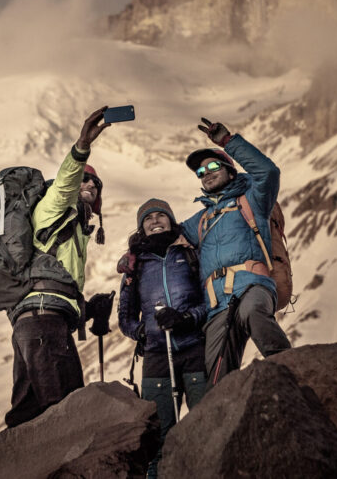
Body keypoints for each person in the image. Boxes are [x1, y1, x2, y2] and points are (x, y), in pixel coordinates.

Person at [4, 106, 115, 427]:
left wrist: (88, 309)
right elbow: (67, 180)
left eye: (96, 187)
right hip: (44, 325)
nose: (91, 187)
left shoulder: (73, 231)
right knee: (68, 409)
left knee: (27, 413)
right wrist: (82, 146)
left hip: (34, 323)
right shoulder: (54, 206)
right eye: (87, 182)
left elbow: (54, 287)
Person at [181, 118, 292, 385]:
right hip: (216, 303)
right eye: (200, 172)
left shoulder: (252, 200)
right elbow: (165, 236)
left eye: (212, 166)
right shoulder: (200, 220)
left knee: (253, 313)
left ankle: (294, 373)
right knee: (217, 376)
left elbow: (268, 173)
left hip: (253, 285)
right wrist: (135, 249)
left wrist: (228, 142)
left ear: (231, 171)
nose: (205, 172)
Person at [118, 198, 208, 477]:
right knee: (159, 439)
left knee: (206, 427)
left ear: (171, 220)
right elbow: (125, 317)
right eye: (148, 218)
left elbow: (210, 301)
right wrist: (143, 331)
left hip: (195, 349)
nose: (155, 221)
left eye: (160, 216)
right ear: (141, 228)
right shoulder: (135, 266)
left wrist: (185, 319)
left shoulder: (191, 254)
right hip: (157, 356)